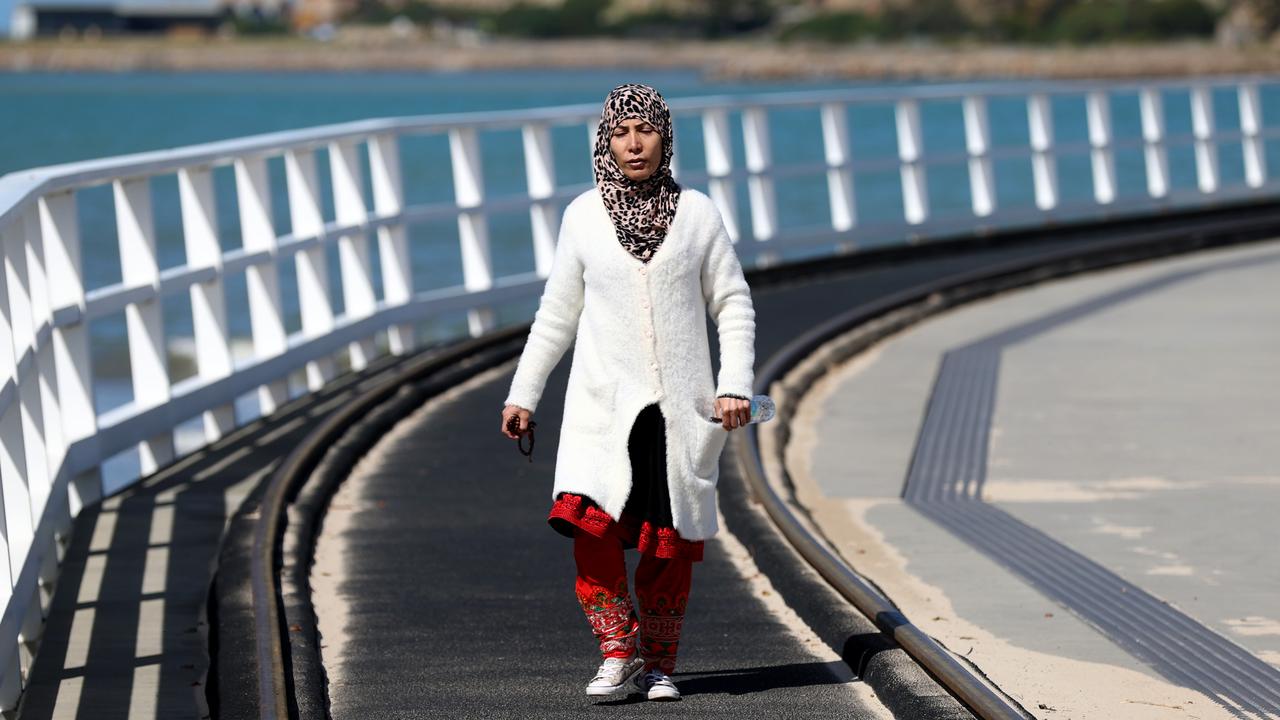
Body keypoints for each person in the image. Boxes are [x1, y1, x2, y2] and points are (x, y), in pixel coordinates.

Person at [499, 83, 757, 702]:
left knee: (667, 542)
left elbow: (733, 302)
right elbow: (557, 314)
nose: (634, 143)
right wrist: (523, 395)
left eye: (646, 130)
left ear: (666, 137)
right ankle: (618, 651)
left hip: (679, 412)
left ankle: (661, 662)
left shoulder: (698, 214)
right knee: (589, 529)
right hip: (601, 408)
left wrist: (735, 384)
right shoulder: (583, 216)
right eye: (621, 132)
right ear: (605, 141)